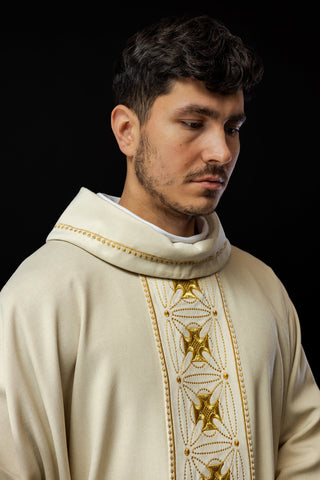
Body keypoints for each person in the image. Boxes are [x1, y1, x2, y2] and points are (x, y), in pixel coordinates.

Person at [0, 15, 319, 480]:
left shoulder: (264, 288)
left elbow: (306, 454)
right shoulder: (44, 296)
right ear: (127, 131)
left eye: (232, 126)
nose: (221, 152)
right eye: (193, 122)